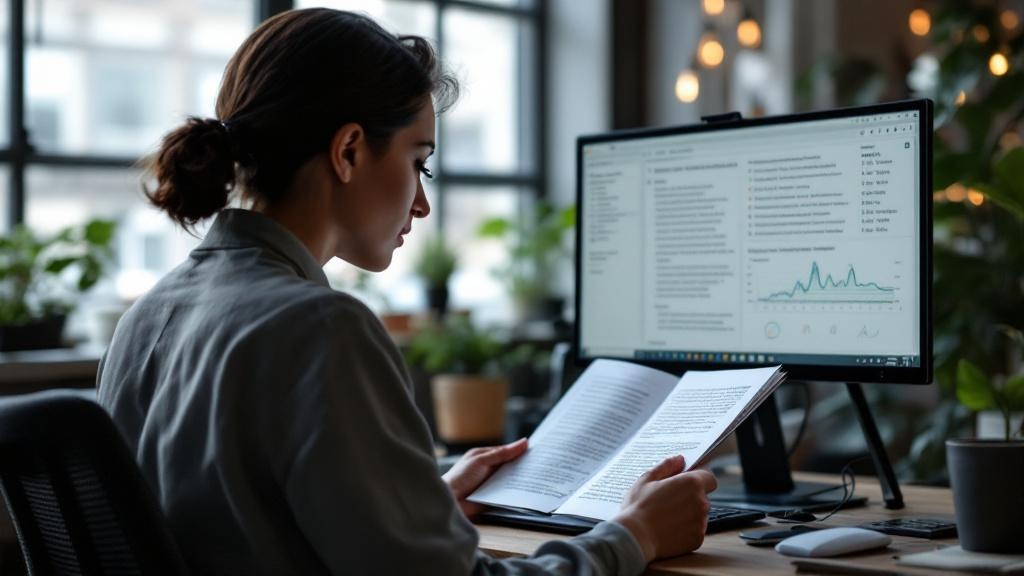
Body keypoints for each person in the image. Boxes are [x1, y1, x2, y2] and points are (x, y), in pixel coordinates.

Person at [97, 8, 717, 575]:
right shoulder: (321, 328)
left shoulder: (145, 319)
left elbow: (236, 526)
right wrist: (634, 534)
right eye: (418, 161)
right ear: (348, 151)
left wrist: (415, 503)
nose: (422, 204)